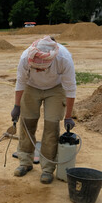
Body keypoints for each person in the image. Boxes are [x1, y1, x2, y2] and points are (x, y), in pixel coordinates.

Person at [11, 35, 76, 183]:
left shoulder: (64, 59)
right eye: (36, 67)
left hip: (55, 88)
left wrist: (68, 116)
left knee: (51, 128)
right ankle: (25, 163)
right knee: (27, 124)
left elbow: (70, 89)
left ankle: (47, 169)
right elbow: (20, 82)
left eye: (42, 68)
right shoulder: (25, 57)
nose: (39, 70)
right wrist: (17, 106)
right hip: (31, 87)